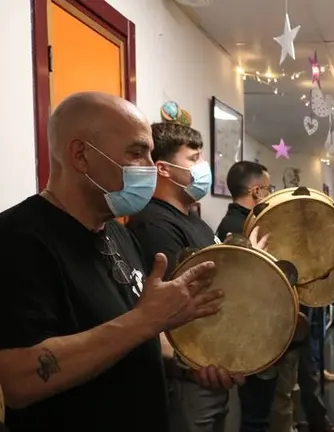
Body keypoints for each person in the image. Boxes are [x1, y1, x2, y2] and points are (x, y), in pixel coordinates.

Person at [0, 92, 234, 432]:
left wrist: (190, 365)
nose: (151, 167)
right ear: (81, 155)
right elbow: (19, 381)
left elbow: (141, 336)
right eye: (136, 153)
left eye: (150, 153)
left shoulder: (117, 232)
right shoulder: (18, 239)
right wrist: (145, 320)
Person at [127, 119, 255, 432]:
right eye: (194, 159)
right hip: (188, 371)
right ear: (163, 169)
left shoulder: (194, 220)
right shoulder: (154, 224)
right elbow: (179, 303)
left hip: (214, 363)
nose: (203, 168)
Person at [215, 161, 277, 432]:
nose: (270, 193)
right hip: (252, 329)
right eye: (268, 188)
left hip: (258, 326)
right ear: (257, 191)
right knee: (255, 414)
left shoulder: (242, 222)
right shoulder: (237, 226)